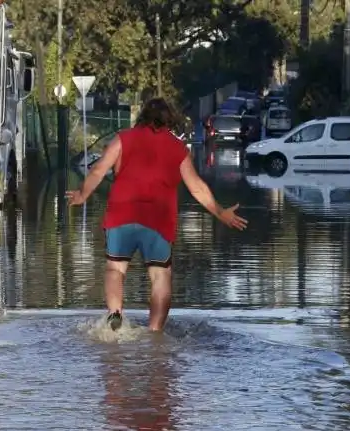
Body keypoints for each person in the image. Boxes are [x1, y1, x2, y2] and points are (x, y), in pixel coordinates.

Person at [66, 97, 247, 332]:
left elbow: (99, 169)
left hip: (122, 214)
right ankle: (155, 331)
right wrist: (221, 213)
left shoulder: (123, 138)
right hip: (158, 220)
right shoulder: (177, 148)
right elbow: (197, 188)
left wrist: (82, 194)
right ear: (169, 120)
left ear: (142, 116)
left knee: (115, 269)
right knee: (160, 275)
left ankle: (115, 313)